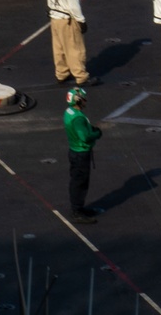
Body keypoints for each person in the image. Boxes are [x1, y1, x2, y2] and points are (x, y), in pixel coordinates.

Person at [47, 0, 94, 87]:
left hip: (54, 18)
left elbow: (50, 1)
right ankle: (81, 76)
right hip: (67, 21)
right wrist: (81, 21)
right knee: (75, 49)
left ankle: (61, 74)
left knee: (59, 48)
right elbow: (74, 7)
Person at [64, 86, 101, 224]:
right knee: (80, 182)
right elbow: (85, 137)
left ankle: (79, 208)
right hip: (80, 153)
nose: (86, 101)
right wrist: (97, 133)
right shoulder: (78, 118)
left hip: (74, 151)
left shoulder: (69, 112)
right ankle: (77, 211)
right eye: (84, 99)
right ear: (78, 100)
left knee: (78, 180)